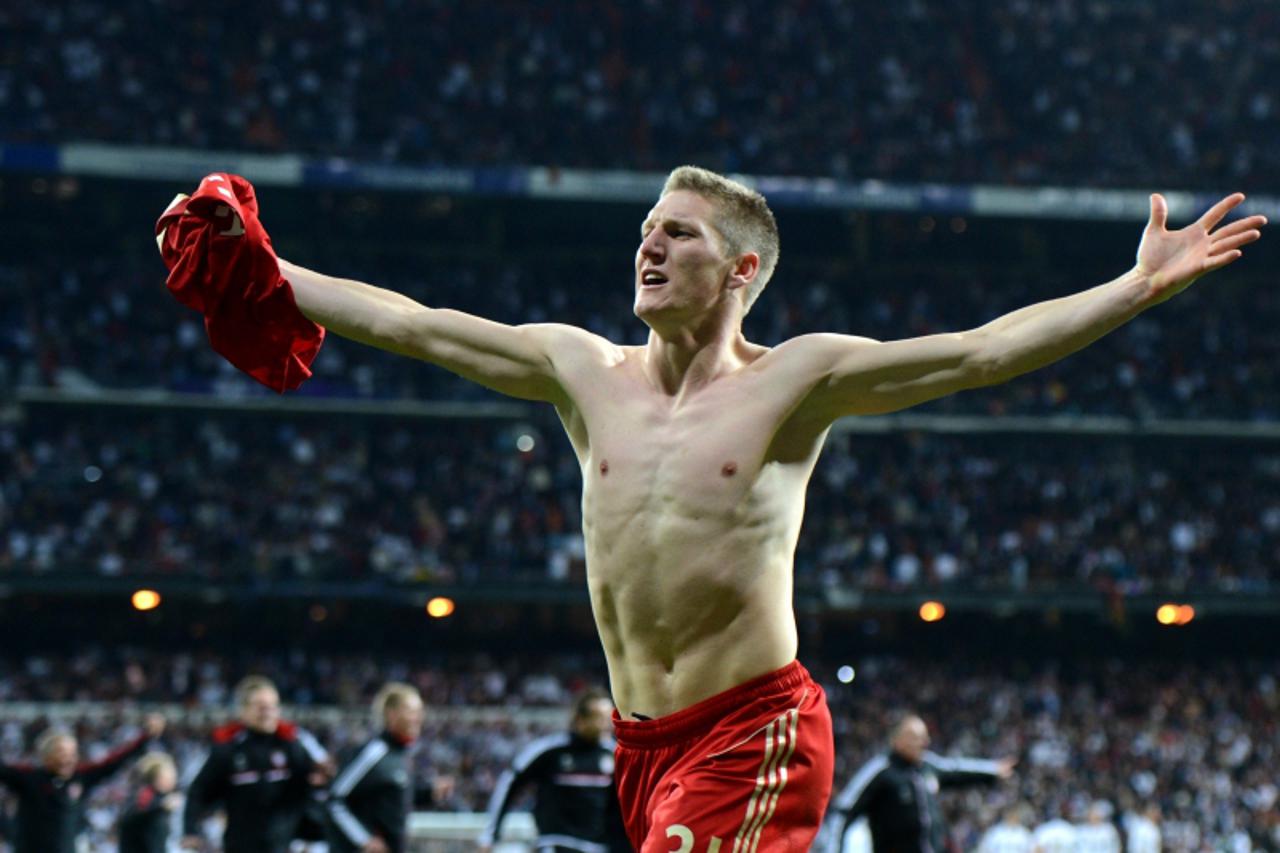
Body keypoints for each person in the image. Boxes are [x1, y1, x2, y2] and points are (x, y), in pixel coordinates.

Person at [163, 166, 1264, 851]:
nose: (646, 241)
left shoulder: (796, 380)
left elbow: (977, 352)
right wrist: (264, 262)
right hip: (642, 746)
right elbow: (412, 322)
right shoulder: (579, 370)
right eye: (645, 225)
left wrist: (1130, 288)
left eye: (675, 232)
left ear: (740, 267)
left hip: (756, 729)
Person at [819, 714, 1015, 852]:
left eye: (925, 737)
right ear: (897, 740)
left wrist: (992, 771)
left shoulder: (927, 766)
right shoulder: (880, 771)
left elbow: (956, 770)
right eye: (916, 738)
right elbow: (844, 810)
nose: (924, 742)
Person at [181, 675, 329, 852]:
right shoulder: (228, 748)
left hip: (284, 847)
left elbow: (315, 785)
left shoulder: (293, 744)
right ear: (243, 710)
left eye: (273, 706)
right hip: (240, 846)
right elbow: (198, 791)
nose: (268, 712)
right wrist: (190, 830)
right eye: (261, 707)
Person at [479, 687, 628, 853]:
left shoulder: (614, 756)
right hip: (556, 842)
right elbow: (510, 783)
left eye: (609, 717)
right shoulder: (549, 751)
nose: (607, 723)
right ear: (580, 719)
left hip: (597, 847)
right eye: (599, 717)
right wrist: (490, 835)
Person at [0, 713, 165, 853]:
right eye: (62, 753)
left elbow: (112, 763)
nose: (69, 758)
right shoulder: (29, 778)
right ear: (46, 756)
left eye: (73, 753)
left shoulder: (80, 777)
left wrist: (145, 737)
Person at [325, 682, 426, 853]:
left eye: (420, 711)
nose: (418, 717)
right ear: (391, 714)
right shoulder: (374, 752)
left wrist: (429, 792)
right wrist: (364, 840)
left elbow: (390, 800)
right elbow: (335, 799)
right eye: (412, 711)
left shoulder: (402, 754)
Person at [118, 752, 182, 853]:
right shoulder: (146, 796)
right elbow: (130, 819)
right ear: (157, 777)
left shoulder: (164, 798)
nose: (174, 777)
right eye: (170, 773)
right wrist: (161, 807)